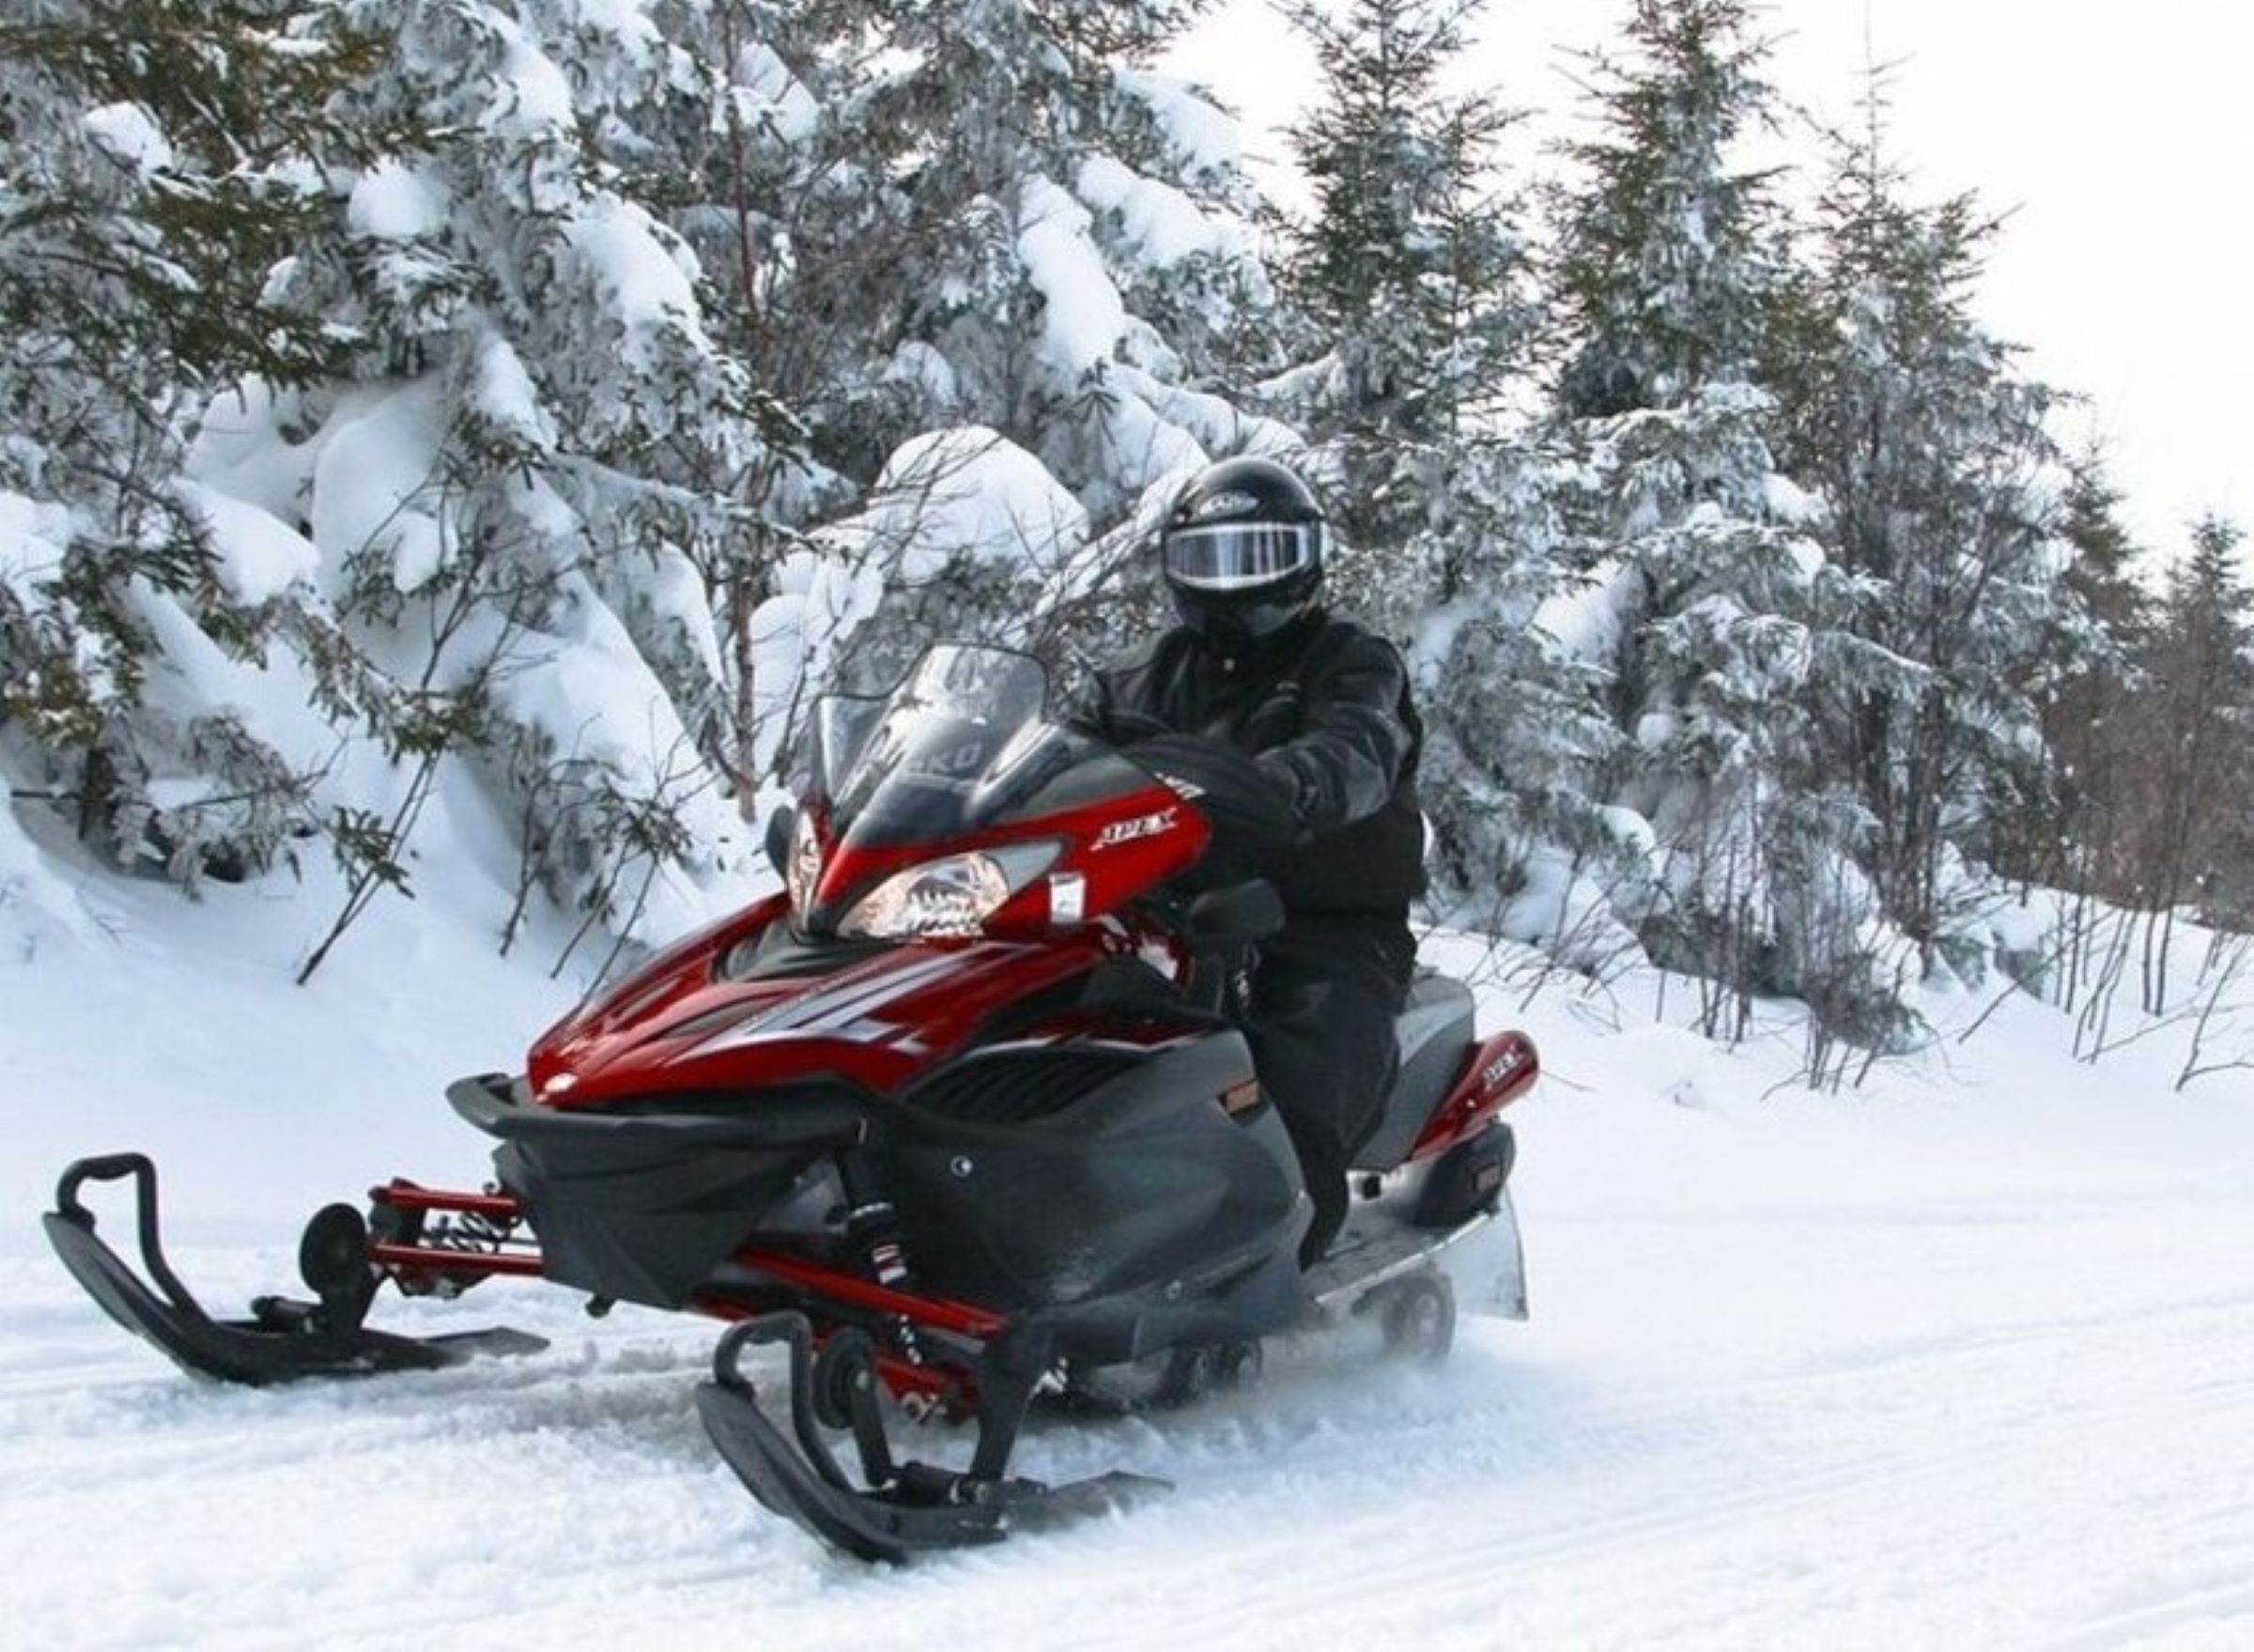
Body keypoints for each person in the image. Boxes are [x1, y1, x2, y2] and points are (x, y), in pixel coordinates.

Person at [1076, 455, 1426, 1267]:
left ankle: (1274, 1258)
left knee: (1300, 1082)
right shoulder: (1139, 678)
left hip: (1318, 923)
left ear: (1307, 559)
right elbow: (1052, 752)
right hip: (1155, 910)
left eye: (1259, 555)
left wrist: (1292, 785)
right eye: (1209, 558)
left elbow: (1360, 745)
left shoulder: (1351, 664)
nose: (1233, 584)